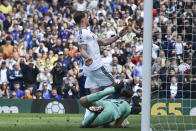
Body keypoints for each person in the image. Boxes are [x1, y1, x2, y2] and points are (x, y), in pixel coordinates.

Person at [74, 11, 129, 119]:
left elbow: (104, 41)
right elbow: (82, 50)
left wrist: (118, 35)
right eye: (87, 16)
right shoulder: (81, 33)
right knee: (116, 86)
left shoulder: (89, 32)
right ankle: (123, 113)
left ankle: (89, 119)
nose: (89, 18)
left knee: (95, 98)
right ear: (82, 20)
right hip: (96, 66)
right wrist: (88, 57)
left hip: (91, 69)